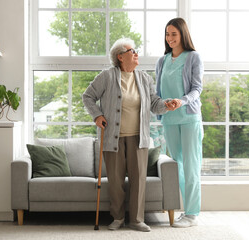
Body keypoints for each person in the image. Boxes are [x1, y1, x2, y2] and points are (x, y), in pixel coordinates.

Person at [83, 38, 173, 232]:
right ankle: (117, 218)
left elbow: (154, 103)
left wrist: (166, 105)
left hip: (138, 137)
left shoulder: (144, 78)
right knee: (115, 181)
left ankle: (137, 220)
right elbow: (88, 96)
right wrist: (97, 115)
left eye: (136, 51)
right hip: (112, 138)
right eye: (132, 51)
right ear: (120, 56)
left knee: (138, 179)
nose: (136, 53)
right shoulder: (107, 76)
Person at [155, 17, 204, 228]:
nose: (170, 38)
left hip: (189, 118)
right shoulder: (162, 61)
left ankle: (192, 214)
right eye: (167, 34)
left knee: (191, 166)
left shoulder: (193, 57)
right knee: (177, 167)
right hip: (169, 119)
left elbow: (197, 88)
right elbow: (158, 92)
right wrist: (162, 106)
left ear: (182, 34)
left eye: (174, 34)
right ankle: (184, 210)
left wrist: (181, 101)